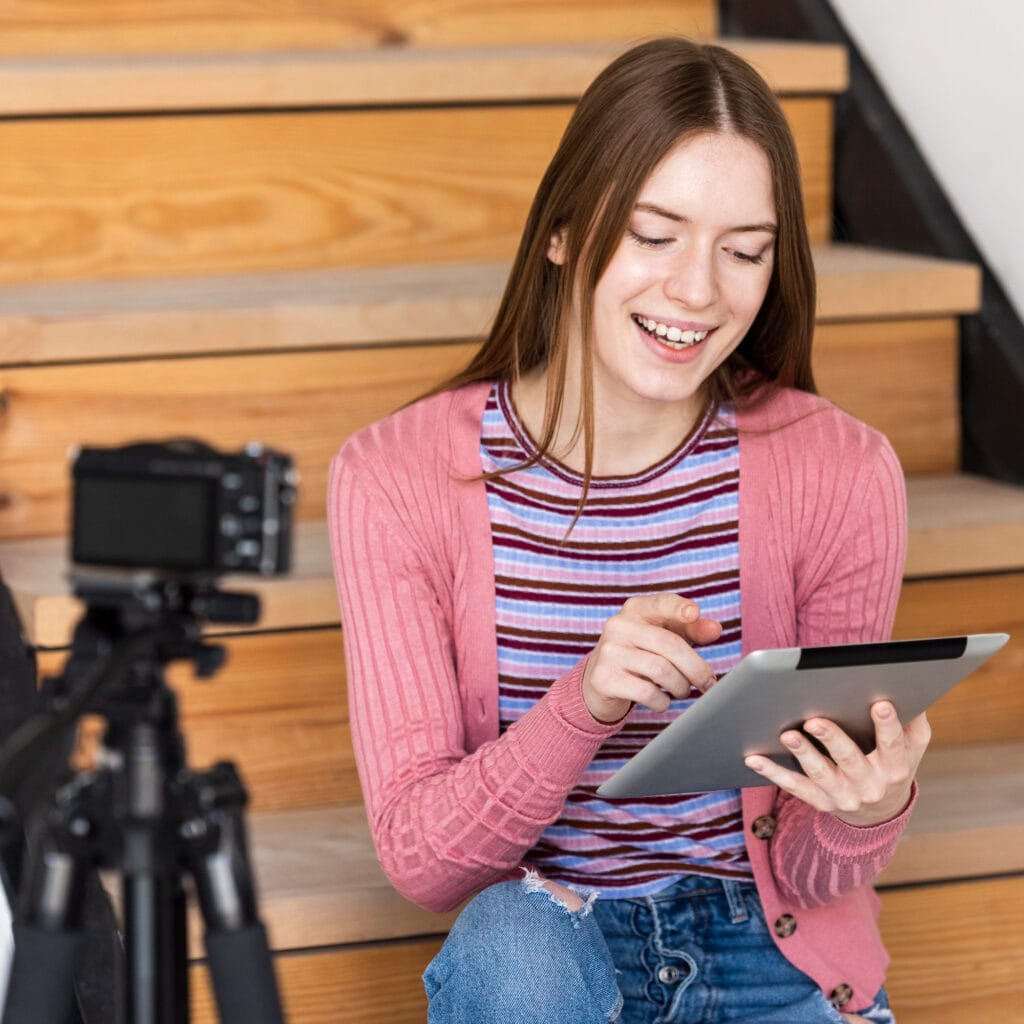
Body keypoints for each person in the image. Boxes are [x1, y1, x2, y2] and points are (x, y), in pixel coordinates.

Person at [328, 37, 930, 1024]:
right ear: (564, 232)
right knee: (511, 943)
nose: (698, 291)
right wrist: (585, 703)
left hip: (768, 952)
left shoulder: (838, 470)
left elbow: (818, 873)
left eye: (742, 251)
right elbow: (426, 862)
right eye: (656, 235)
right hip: (552, 948)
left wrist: (865, 813)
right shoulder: (396, 477)